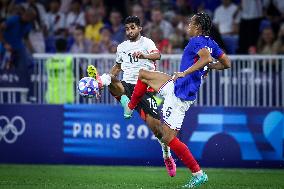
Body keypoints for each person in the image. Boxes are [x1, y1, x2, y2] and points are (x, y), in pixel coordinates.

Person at [123, 12, 231, 188]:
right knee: (143, 75)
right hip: (177, 86)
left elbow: (205, 58)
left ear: (197, 27)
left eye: (191, 23)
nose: (188, 26)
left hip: (180, 95)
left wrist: (186, 72)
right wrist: (209, 67)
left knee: (168, 138)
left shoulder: (197, 41)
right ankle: (131, 106)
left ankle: (198, 174)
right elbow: (226, 63)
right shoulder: (212, 43)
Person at [86, 16, 176, 177]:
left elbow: (158, 56)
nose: (129, 31)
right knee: (111, 79)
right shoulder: (121, 47)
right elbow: (117, 66)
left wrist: (143, 55)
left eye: (133, 27)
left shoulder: (147, 43)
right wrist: (105, 81)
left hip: (146, 88)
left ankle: (166, 154)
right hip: (127, 85)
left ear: (139, 28)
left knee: (159, 132)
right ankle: (100, 85)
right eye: (127, 28)